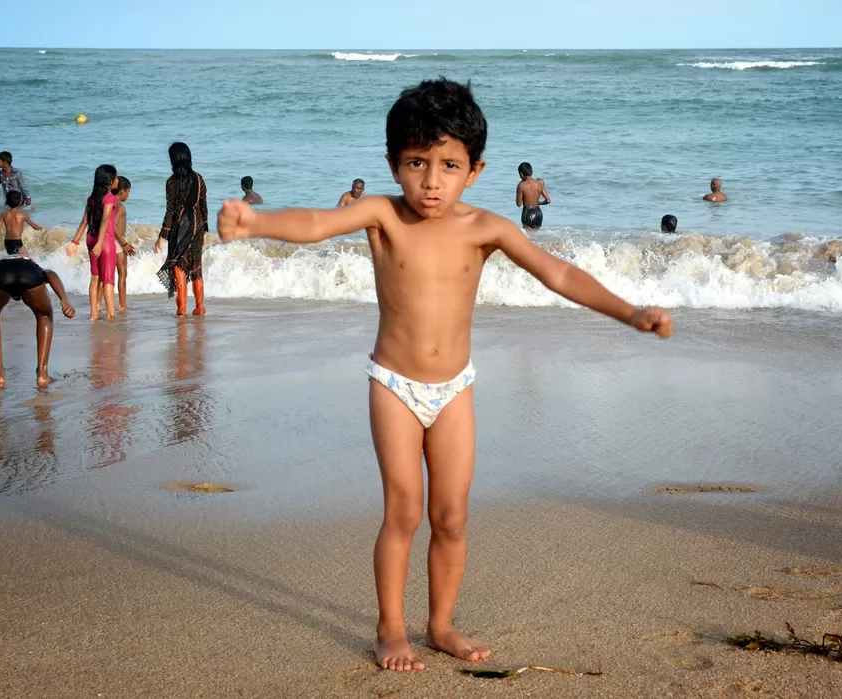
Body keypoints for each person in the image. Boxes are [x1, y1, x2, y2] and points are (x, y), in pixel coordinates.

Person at [216, 78, 673, 673]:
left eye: (448, 165)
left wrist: (631, 312)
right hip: (394, 386)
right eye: (416, 163)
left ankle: (440, 625)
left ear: (475, 171)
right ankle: (389, 629)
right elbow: (315, 223)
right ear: (393, 163)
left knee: (452, 515)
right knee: (404, 510)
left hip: (455, 388)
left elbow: (557, 274)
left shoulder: (486, 228)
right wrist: (257, 224)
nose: (431, 181)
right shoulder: (382, 214)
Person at [0, 255, 75, 386]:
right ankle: (42, 374)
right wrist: (65, 302)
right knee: (44, 315)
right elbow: (51, 274)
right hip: (28, 274)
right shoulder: (31, 265)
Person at [155, 142, 208, 317]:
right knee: (195, 267)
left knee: (178, 267)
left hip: (180, 229)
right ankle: (200, 307)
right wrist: (204, 230)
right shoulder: (199, 179)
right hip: (197, 227)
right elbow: (203, 206)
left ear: (174, 160)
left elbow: (170, 210)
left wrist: (162, 236)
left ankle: (181, 310)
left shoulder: (172, 182)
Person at [65, 165, 119, 321]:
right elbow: (104, 221)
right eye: (115, 177)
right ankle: (110, 315)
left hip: (91, 239)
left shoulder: (91, 199)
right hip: (105, 242)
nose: (117, 180)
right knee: (108, 280)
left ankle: (93, 315)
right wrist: (100, 243)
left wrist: (74, 242)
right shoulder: (110, 199)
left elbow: (84, 222)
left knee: (95, 277)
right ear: (110, 181)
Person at [114, 177, 136, 311]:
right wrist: (124, 243)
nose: (128, 194)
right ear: (122, 192)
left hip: (108, 241)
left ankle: (98, 304)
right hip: (117, 241)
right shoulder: (120, 206)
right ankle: (122, 304)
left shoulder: (108, 203)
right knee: (122, 273)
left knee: (104, 275)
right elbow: (113, 225)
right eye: (128, 191)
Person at [515, 162, 550, 231]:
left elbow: (518, 204)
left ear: (521, 174)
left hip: (528, 213)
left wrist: (518, 190)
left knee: (528, 236)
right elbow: (548, 201)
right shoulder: (540, 182)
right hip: (538, 213)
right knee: (537, 235)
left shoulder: (521, 185)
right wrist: (539, 203)